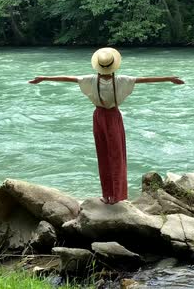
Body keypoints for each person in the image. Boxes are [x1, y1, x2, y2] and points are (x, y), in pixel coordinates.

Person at [29, 47, 184, 204]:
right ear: (113, 65)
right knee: (117, 156)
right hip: (113, 117)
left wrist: (44, 78)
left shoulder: (90, 80)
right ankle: (119, 196)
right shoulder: (121, 80)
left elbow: (67, 78)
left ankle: (107, 195)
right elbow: (145, 79)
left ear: (98, 65)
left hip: (98, 117)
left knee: (103, 155)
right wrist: (169, 78)